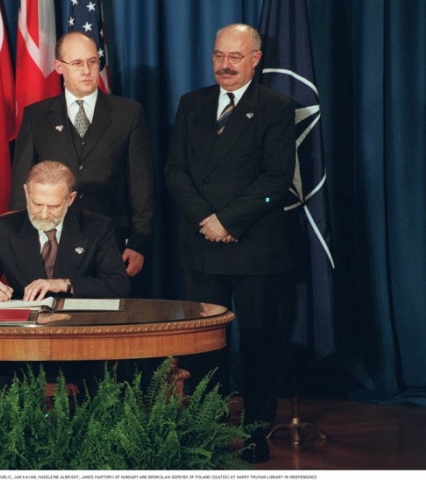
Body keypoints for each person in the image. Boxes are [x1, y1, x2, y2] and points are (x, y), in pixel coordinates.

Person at [165, 24, 296, 463]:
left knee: (258, 345)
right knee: (206, 348)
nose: (224, 65)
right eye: (218, 56)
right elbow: (175, 170)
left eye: (235, 57)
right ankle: (209, 430)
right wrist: (206, 220)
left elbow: (276, 179)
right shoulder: (192, 103)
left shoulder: (276, 108)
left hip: (253, 245)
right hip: (202, 244)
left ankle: (255, 433)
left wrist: (228, 220)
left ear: (255, 59)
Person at [0, 160, 130, 391]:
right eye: (37, 204)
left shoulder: (96, 227)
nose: (45, 214)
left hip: (81, 345)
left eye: (54, 206)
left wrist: (65, 284)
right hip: (22, 347)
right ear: (26, 192)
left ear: (70, 199)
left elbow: (118, 284)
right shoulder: (3, 229)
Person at [9, 32, 155, 281]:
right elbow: (23, 184)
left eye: (92, 62)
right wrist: (21, 240)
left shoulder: (128, 114)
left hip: (112, 239)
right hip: (52, 238)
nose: (87, 71)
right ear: (59, 67)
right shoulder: (36, 116)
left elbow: (141, 184)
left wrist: (138, 242)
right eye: (77, 63)